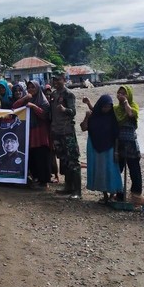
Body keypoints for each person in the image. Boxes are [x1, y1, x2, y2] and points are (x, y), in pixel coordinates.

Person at [81, 95, 122, 204]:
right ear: (100, 106)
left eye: (109, 107)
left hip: (109, 148)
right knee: (99, 171)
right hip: (94, 147)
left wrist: (117, 151)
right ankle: (104, 195)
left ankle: (112, 195)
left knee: (110, 171)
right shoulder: (93, 116)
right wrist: (86, 117)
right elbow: (83, 128)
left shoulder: (112, 117)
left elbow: (116, 135)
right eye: (104, 107)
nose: (106, 109)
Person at [13, 80, 51, 189]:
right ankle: (36, 179)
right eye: (28, 88)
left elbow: (45, 115)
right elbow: (15, 107)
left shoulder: (43, 101)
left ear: (38, 89)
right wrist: (25, 98)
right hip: (30, 133)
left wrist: (34, 107)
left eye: (33, 87)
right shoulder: (27, 99)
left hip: (41, 133)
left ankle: (44, 182)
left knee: (42, 157)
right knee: (32, 157)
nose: (30, 90)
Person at [49, 70, 81, 199]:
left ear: (64, 79)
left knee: (73, 161)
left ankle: (77, 191)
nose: (56, 82)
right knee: (64, 160)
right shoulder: (53, 94)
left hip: (67, 131)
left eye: (58, 79)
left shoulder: (69, 94)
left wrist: (64, 109)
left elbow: (73, 112)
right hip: (56, 131)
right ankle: (68, 186)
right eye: (54, 80)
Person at [113, 85, 142, 201]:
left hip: (131, 144)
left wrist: (125, 102)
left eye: (123, 93)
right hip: (118, 143)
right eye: (119, 93)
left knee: (134, 170)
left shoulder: (133, 106)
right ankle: (119, 194)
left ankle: (136, 195)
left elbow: (130, 114)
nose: (120, 95)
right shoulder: (115, 109)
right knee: (117, 170)